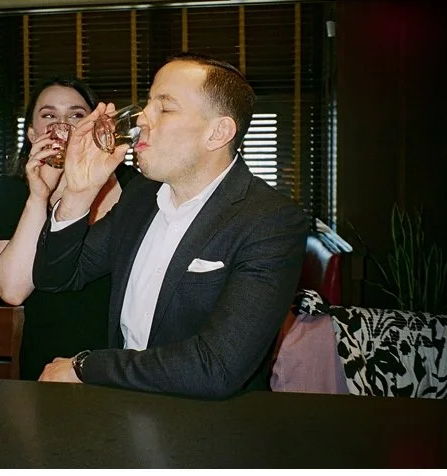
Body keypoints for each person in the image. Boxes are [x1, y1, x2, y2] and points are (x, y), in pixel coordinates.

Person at [33, 53, 309, 399]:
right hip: (120, 409)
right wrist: (78, 192)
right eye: (148, 104)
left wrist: (86, 367)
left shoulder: (270, 221)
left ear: (218, 132)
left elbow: (216, 367)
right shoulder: (140, 197)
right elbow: (54, 278)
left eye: (164, 108)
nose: (142, 119)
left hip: (207, 430)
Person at [0, 77, 138, 380]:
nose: (63, 127)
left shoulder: (136, 187)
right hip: (48, 366)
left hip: (126, 363)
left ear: (97, 125)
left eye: (76, 115)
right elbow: (13, 289)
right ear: (32, 133)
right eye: (49, 116)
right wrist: (39, 196)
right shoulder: (10, 192)